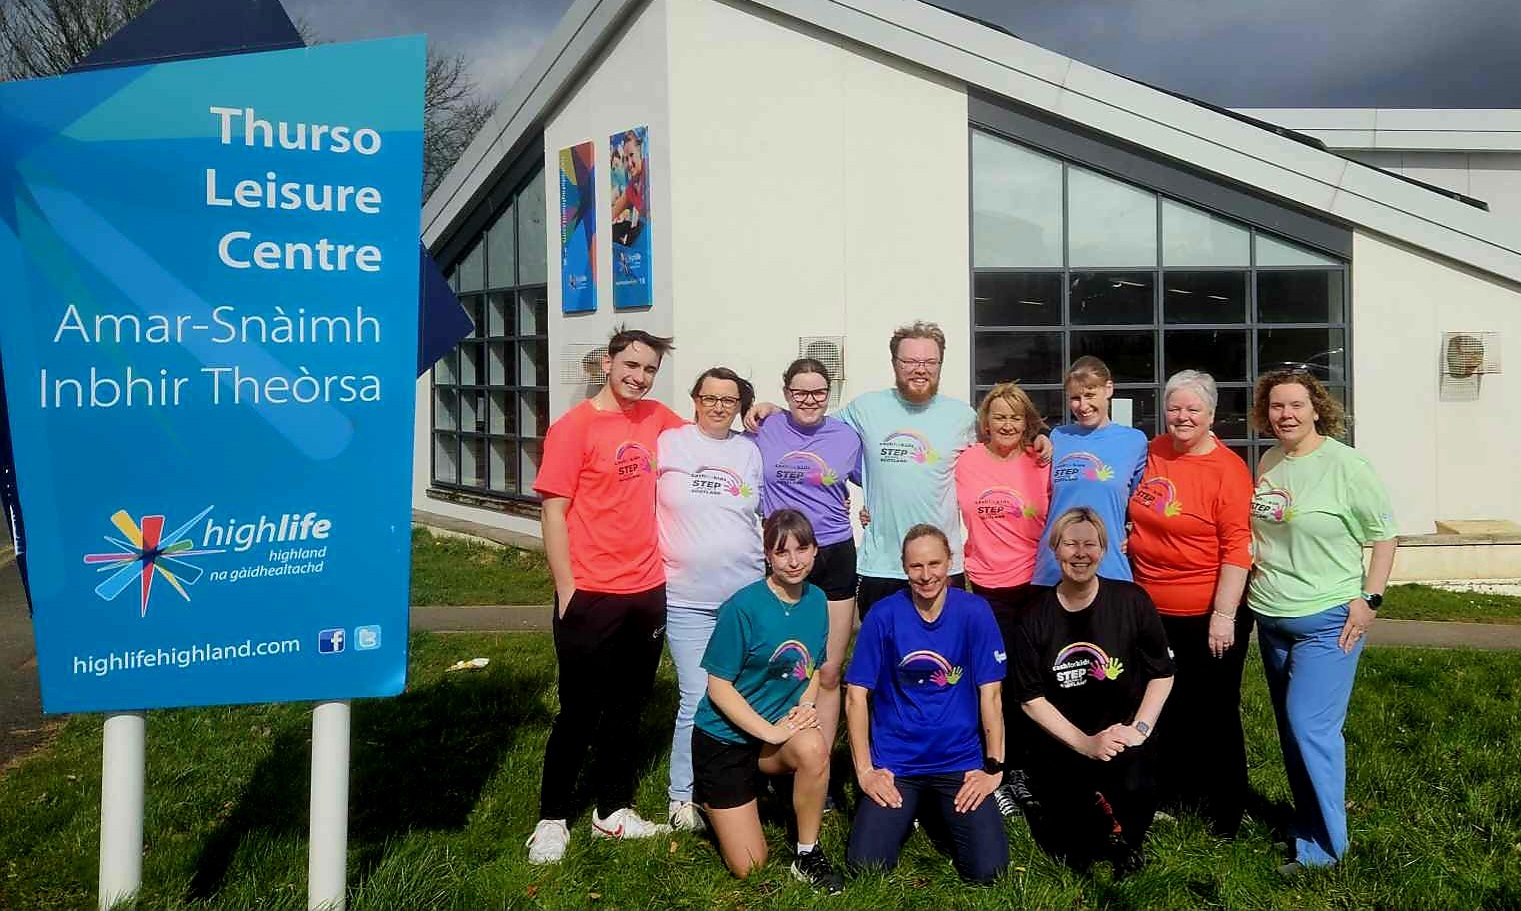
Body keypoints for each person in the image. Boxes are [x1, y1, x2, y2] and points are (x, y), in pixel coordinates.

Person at [747, 321, 1051, 618]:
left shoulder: (963, 417)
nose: (920, 369)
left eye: (929, 361)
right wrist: (777, 412)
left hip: (941, 565)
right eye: (910, 361)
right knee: (883, 663)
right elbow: (813, 420)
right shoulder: (865, 409)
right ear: (894, 362)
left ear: (940, 363)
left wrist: (1039, 437)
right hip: (881, 566)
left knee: (942, 660)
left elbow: (1003, 440)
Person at [526, 326, 685, 864]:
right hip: (590, 591)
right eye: (631, 366)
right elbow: (552, 511)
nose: (639, 378)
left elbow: (707, 434)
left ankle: (611, 810)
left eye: (649, 370)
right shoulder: (574, 428)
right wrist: (566, 587)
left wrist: (760, 414)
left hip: (647, 589)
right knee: (579, 711)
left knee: (629, 707)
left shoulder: (657, 418)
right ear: (606, 363)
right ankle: (551, 819)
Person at [1247, 368, 1397, 874]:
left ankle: (1328, 850)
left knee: (1311, 725)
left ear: (1317, 409)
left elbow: (1384, 535)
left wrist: (1369, 599)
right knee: (1292, 733)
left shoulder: (1346, 465)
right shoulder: (1269, 461)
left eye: (1295, 405)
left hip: (1327, 618)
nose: (1285, 415)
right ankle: (1307, 823)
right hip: (1271, 615)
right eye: (1275, 406)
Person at [1012, 507, 1175, 876]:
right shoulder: (1033, 617)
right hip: (1065, 741)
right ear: (1055, 549)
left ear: (1104, 550)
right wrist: (1085, 744)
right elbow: (1031, 699)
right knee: (1072, 847)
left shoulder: (1132, 601)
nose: (1080, 554)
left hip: (1122, 733)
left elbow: (1162, 674)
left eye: (1090, 544)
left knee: (1136, 788)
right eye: (1070, 544)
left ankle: (1132, 839)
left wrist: (1139, 731)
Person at [1125, 370, 1254, 836]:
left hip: (1207, 612)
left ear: (1211, 415)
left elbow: (1238, 546)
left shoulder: (1228, 470)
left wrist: (1224, 615)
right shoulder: (1154, 450)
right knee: (1165, 709)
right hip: (1151, 610)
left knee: (1214, 711)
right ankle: (1174, 795)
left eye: (1192, 410)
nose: (1182, 417)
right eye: (1174, 408)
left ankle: (1226, 811)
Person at [844, 525, 1009, 884]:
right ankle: (915, 808)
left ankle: (936, 809)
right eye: (916, 566)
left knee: (988, 872)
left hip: (958, 761)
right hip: (897, 763)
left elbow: (991, 695)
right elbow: (856, 695)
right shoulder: (883, 615)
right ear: (904, 568)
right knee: (866, 869)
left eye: (934, 563)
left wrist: (993, 767)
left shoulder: (975, 612)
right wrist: (865, 770)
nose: (926, 575)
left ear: (950, 562)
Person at [692, 509, 842, 893]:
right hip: (724, 738)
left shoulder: (817, 600)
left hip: (770, 737)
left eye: (802, 549)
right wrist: (771, 732)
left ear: (815, 550)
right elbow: (718, 687)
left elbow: (810, 668)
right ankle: (708, 799)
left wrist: (806, 708)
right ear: (767, 556)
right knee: (751, 866)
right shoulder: (743, 607)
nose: (793, 561)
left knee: (813, 746)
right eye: (781, 552)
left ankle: (807, 853)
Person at [658, 367, 765, 833]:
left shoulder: (749, 451)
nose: (719, 406)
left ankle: (744, 784)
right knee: (696, 696)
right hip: (686, 597)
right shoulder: (670, 442)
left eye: (729, 399)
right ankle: (683, 795)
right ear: (695, 399)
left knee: (747, 695)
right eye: (710, 398)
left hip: (743, 595)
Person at [752, 357, 863, 760]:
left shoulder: (847, 437)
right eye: (800, 392)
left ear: (829, 394)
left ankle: (822, 763)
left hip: (833, 552)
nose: (809, 399)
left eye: (818, 392)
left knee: (829, 669)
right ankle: (773, 751)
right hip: (783, 553)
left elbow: (882, 480)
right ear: (785, 393)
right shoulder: (766, 427)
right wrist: (761, 408)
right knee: (780, 666)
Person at [953, 382, 1051, 818]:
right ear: (985, 422)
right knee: (994, 681)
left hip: (1036, 584)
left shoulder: (1042, 460)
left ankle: (1031, 770)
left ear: (1028, 422)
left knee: (1033, 681)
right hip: (987, 588)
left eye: (1016, 417)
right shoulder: (967, 461)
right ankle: (999, 769)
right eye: (999, 417)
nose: (1007, 424)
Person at [1032, 356, 1147, 586]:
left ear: (1109, 389)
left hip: (1109, 567)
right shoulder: (1058, 437)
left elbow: (1144, 504)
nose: (1083, 406)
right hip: (1055, 568)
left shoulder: (1134, 442)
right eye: (1075, 398)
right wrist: (1037, 435)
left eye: (1090, 395)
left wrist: (1139, 537)